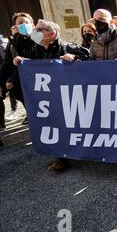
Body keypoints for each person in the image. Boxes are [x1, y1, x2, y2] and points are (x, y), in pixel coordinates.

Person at [9, 19, 90, 173]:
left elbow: (88, 57)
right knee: (58, 125)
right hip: (52, 97)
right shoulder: (35, 49)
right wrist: (21, 63)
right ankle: (62, 158)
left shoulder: (67, 46)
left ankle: (85, 152)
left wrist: (74, 57)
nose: (35, 32)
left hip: (72, 96)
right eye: (36, 29)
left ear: (52, 34)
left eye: (40, 30)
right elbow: (28, 65)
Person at [0, 13, 37, 113]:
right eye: (20, 23)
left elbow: (34, 57)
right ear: (15, 26)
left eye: (27, 22)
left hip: (39, 84)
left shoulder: (39, 38)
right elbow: (7, 64)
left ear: (33, 25)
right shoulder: (12, 43)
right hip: (21, 86)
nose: (24, 25)